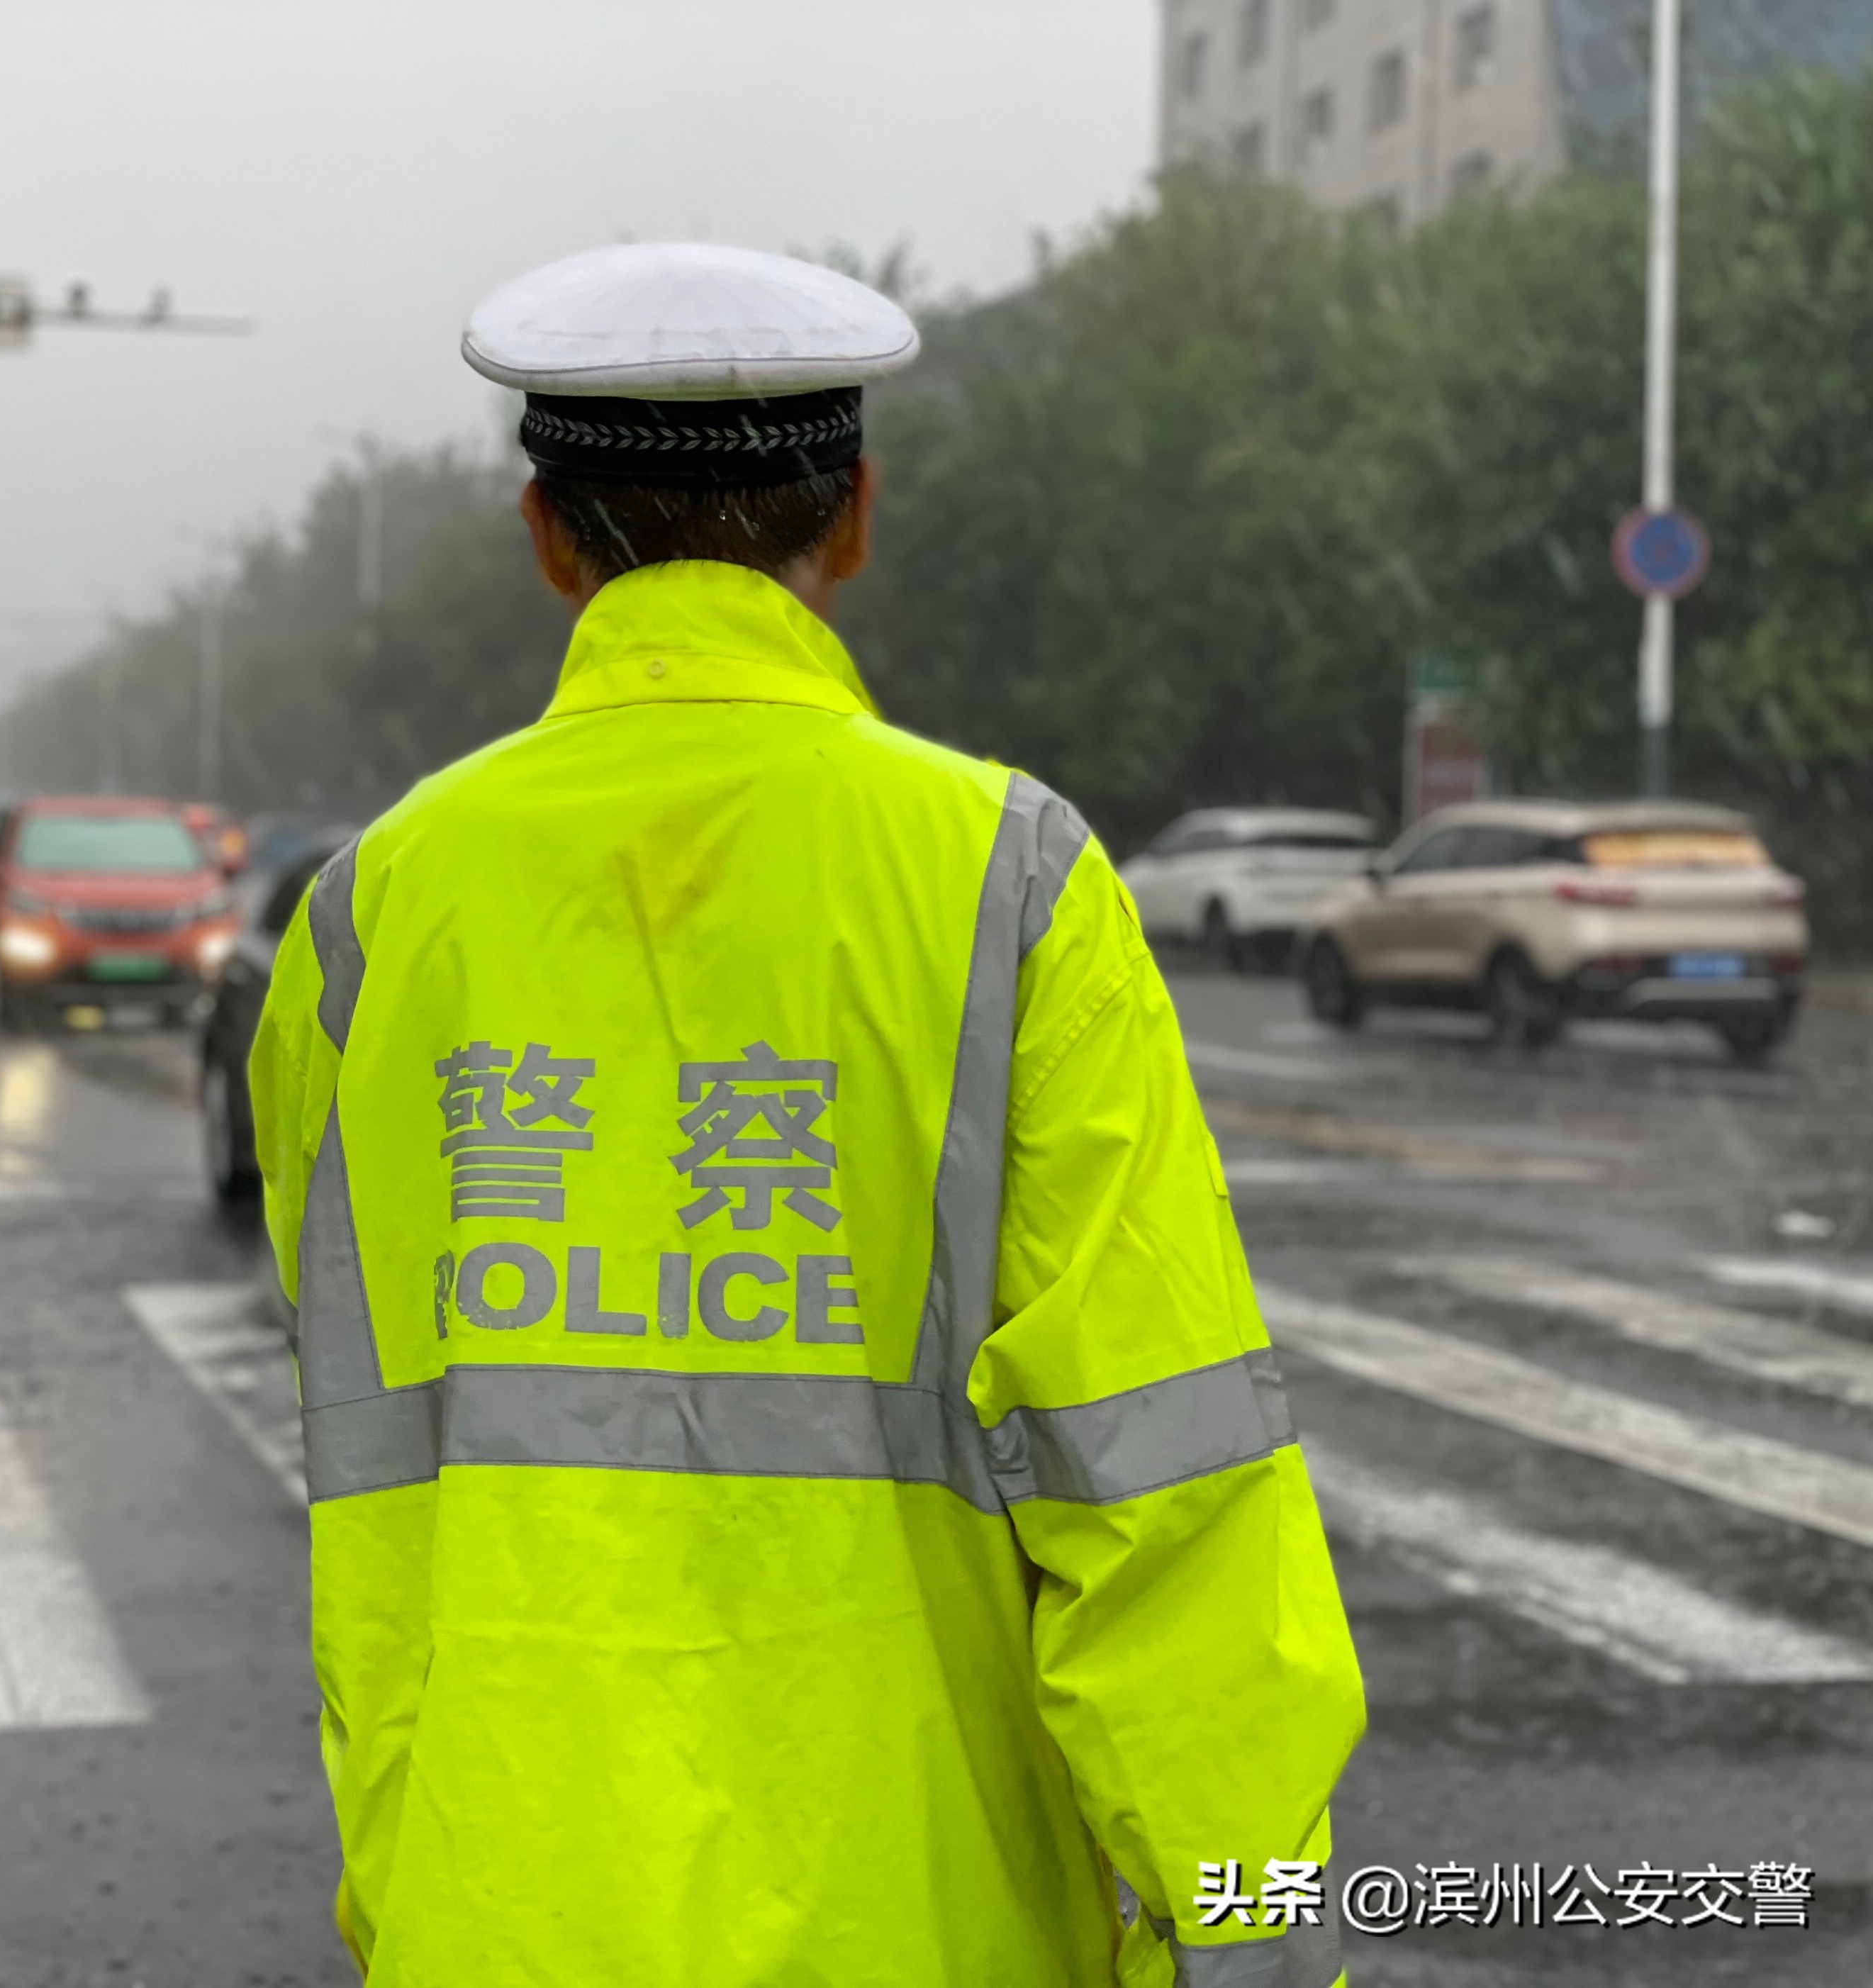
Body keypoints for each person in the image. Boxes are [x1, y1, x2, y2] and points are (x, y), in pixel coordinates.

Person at [250, 242, 1364, 1987]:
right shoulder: (1008, 878)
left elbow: (370, 1402)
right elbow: (1159, 1479)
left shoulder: (371, 911)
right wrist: (1252, 1937)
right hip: (924, 1913)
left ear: (546, 536)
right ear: (851, 523)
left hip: (499, 1906)